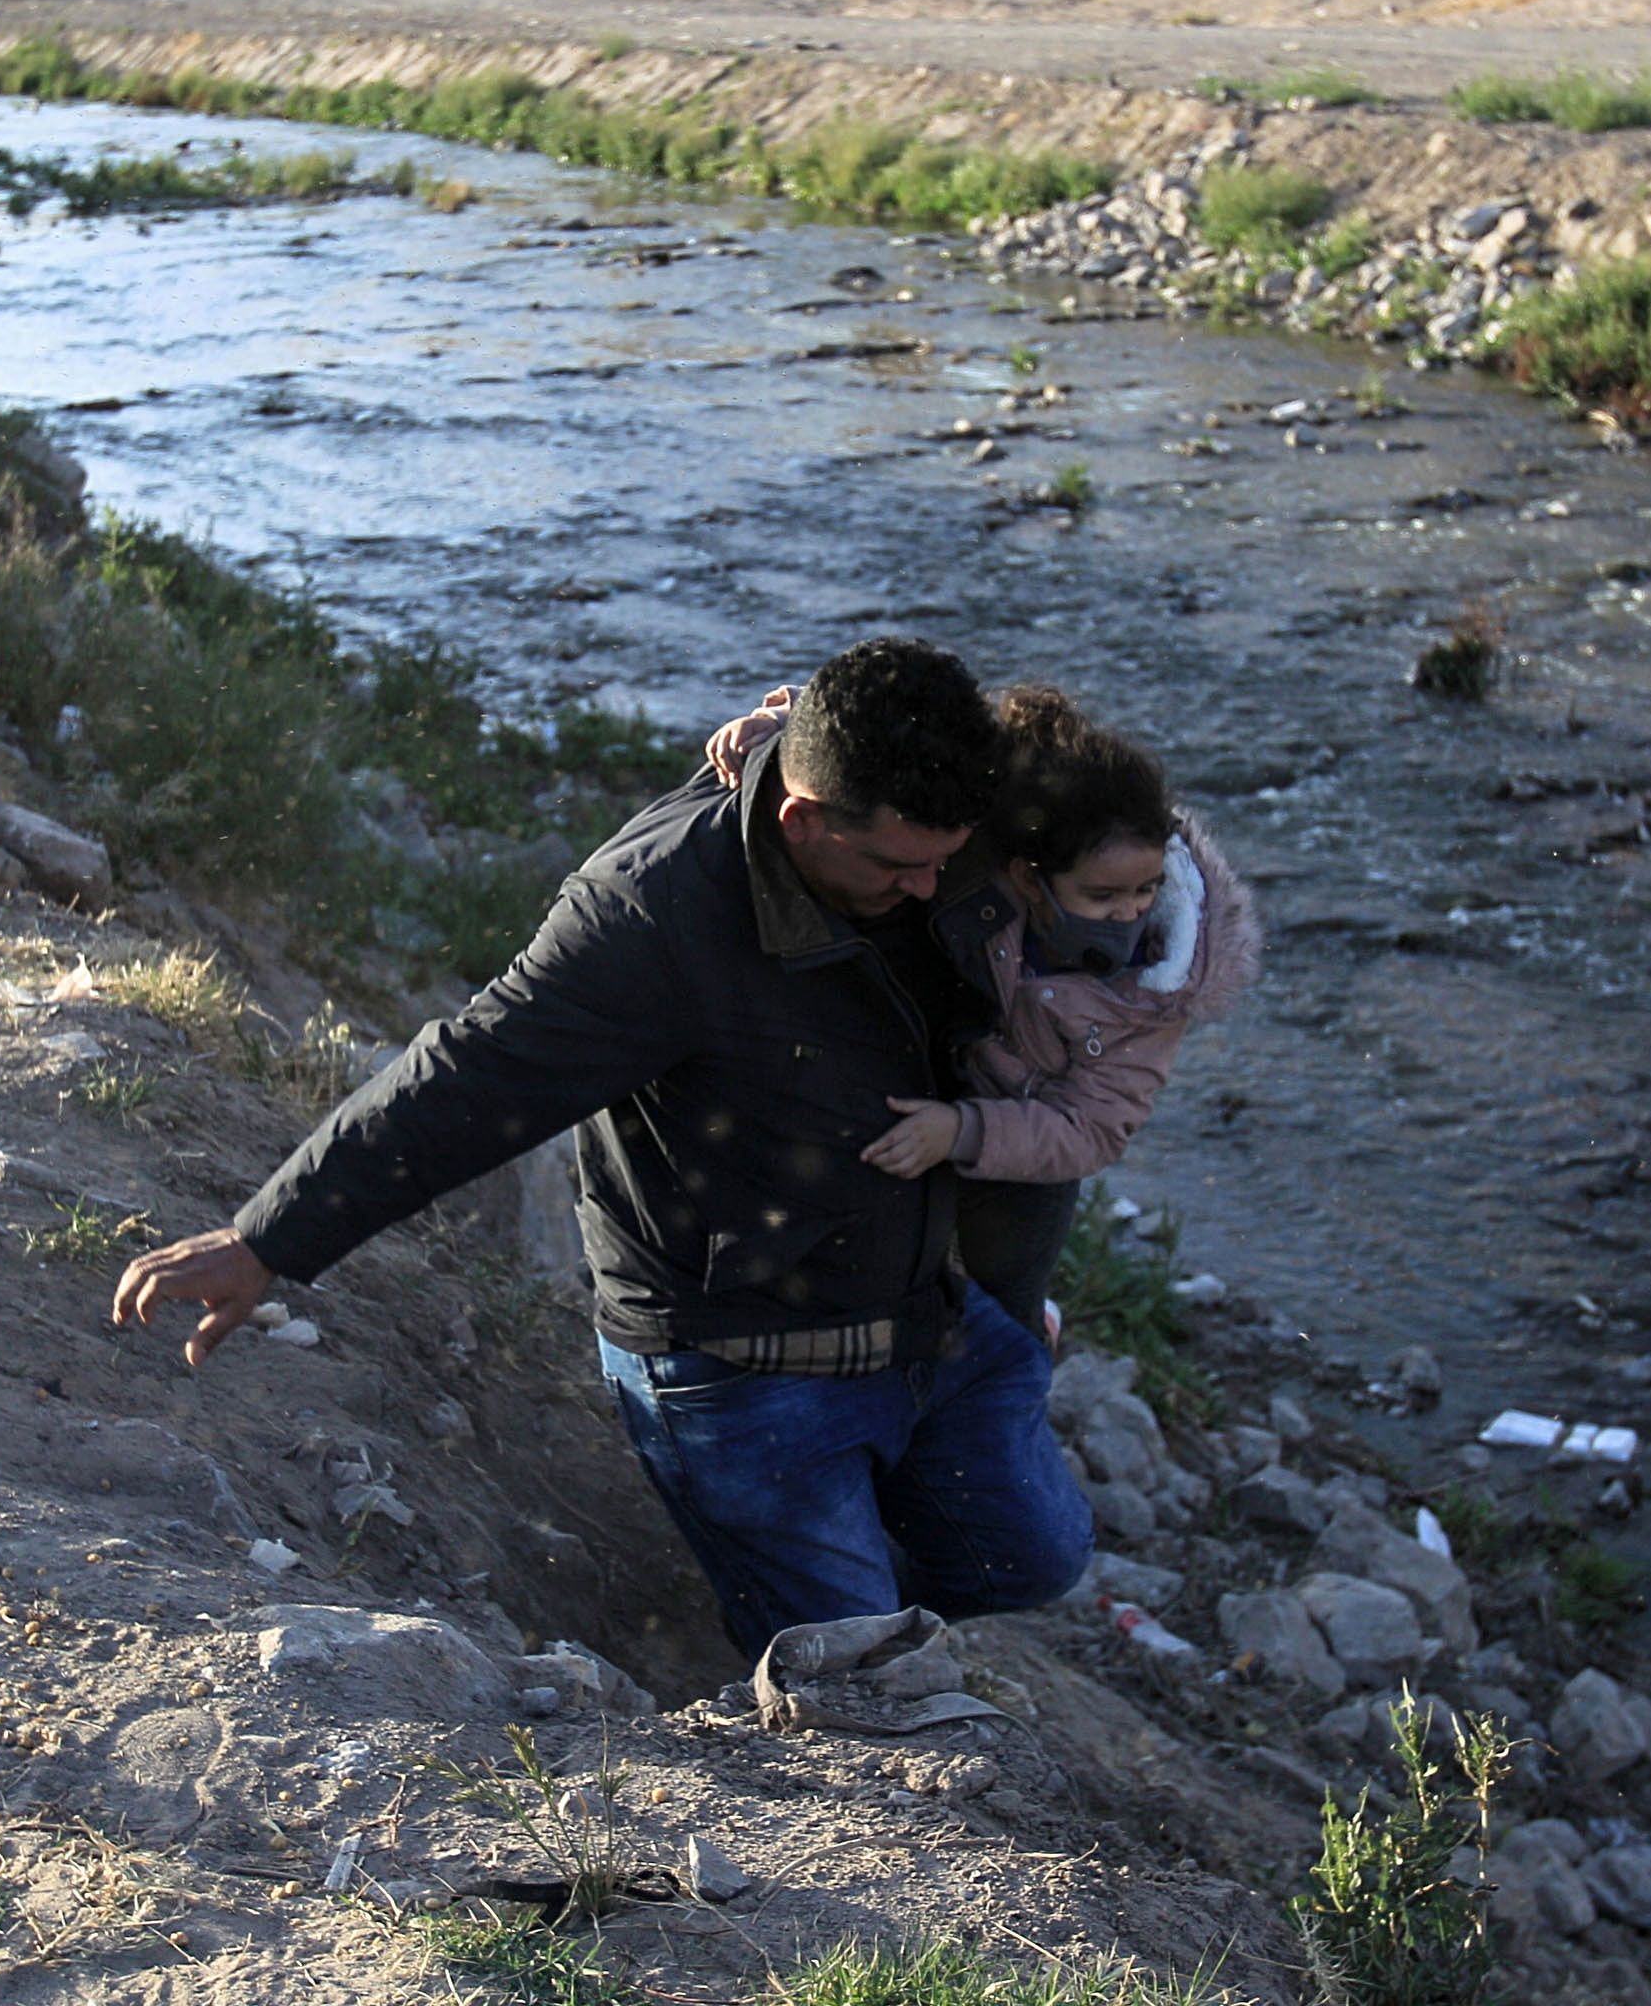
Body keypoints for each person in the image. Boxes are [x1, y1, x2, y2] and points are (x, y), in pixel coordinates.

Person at [113, 638, 1095, 1659]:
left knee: (1033, 1558)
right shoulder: (651, 917)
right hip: (741, 1372)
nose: (938, 889)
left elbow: (1137, 840)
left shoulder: (928, 821)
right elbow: (470, 1076)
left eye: (948, 859)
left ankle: (804, 1586)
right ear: (801, 820)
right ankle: (777, 1633)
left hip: (920, 1316)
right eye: (900, 867)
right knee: (859, 1675)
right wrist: (267, 1238)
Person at [709, 682, 1257, 1330]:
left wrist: (963, 1131)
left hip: (1021, 1151)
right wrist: (776, 729)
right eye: (1102, 894)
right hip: (916, 1070)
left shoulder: (1157, 987)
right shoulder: (987, 828)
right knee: (884, 1255)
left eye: (1145, 889)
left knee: (1003, 1297)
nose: (1129, 911)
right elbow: (879, 734)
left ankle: (1022, 1357)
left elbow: (1093, 1127)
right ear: (1026, 876)